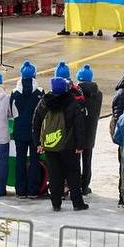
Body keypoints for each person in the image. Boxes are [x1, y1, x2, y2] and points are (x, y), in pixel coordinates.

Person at [33, 75, 89, 212]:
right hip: (69, 146)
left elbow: (36, 123)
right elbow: (79, 126)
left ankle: (56, 203)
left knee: (54, 175)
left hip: (50, 145)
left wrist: (38, 143)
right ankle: (77, 203)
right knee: (73, 174)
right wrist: (80, 145)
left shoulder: (44, 102)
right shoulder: (72, 103)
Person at [8, 61, 43, 199]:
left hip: (20, 131)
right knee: (35, 160)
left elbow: (11, 112)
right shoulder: (39, 92)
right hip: (35, 132)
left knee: (20, 159)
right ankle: (33, 189)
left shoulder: (15, 92)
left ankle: (20, 190)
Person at [75, 64, 103, 195]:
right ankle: (85, 186)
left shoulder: (75, 93)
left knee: (75, 160)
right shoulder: (98, 95)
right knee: (87, 160)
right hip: (91, 131)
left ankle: (75, 185)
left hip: (76, 132)